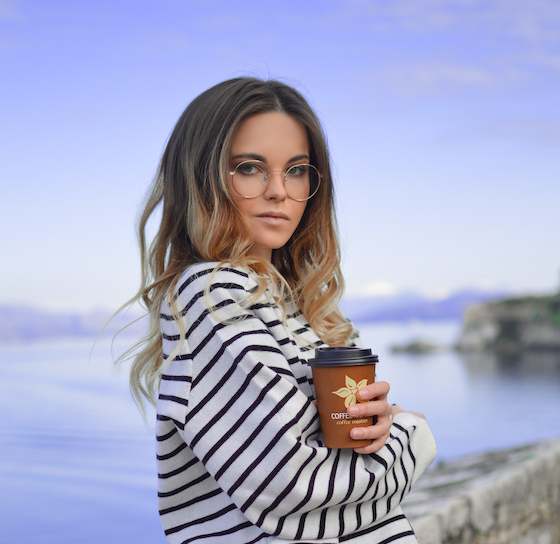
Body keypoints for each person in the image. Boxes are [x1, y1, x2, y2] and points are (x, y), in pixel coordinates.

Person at [127, 77, 437, 544]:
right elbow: (297, 488)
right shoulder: (211, 294)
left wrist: (378, 424)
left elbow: (337, 457)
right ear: (201, 177)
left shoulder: (298, 303)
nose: (279, 190)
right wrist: (414, 434)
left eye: (296, 170)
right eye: (249, 168)